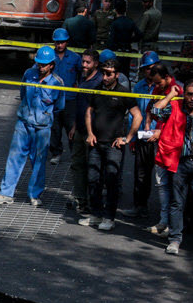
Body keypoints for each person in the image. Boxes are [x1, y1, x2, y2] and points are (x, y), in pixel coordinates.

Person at [0, 46, 65, 206]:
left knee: (39, 161)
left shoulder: (58, 83)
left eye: (44, 64)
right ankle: (6, 194)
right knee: (14, 158)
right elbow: (23, 94)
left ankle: (34, 195)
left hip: (42, 128)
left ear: (52, 65)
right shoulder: (28, 74)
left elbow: (59, 106)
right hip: (23, 124)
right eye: (39, 63)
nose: (41, 67)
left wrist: (44, 116)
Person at [150, 78, 193, 256]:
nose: (192, 98)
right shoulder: (174, 106)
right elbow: (155, 110)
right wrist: (172, 94)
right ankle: (174, 240)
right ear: (184, 93)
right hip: (178, 162)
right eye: (189, 94)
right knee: (176, 203)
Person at [80, 58, 140, 230]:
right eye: (103, 73)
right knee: (93, 179)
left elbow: (138, 116)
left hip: (114, 146)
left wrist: (127, 138)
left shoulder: (124, 93)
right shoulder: (97, 90)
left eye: (109, 74)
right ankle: (95, 215)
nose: (105, 77)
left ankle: (109, 218)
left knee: (111, 180)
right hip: (96, 144)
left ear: (117, 75)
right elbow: (89, 112)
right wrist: (90, 133)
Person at [119, 51, 162, 220]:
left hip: (161, 137)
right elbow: (133, 114)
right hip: (143, 136)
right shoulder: (139, 87)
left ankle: (166, 215)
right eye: (146, 69)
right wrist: (133, 137)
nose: (149, 72)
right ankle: (140, 206)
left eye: (152, 68)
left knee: (163, 177)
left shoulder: (165, 87)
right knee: (141, 173)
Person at [145, 64, 183, 235]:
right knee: (161, 184)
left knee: (175, 187)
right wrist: (149, 126)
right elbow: (153, 110)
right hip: (161, 145)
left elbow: (178, 118)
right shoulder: (158, 89)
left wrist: (161, 128)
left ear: (167, 77)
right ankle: (164, 222)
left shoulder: (180, 91)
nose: (156, 87)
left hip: (176, 147)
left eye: (159, 83)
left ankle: (173, 225)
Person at [66, 49, 103, 214]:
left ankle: (92, 202)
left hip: (92, 133)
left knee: (93, 168)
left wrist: (92, 132)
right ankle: (80, 198)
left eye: (87, 62)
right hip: (80, 129)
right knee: (77, 164)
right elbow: (80, 106)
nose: (84, 65)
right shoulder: (82, 77)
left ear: (96, 63)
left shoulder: (99, 82)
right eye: (83, 62)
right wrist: (74, 126)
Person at [48, 27, 82, 165]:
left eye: (62, 42)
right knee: (54, 128)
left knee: (71, 129)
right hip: (53, 99)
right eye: (57, 42)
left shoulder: (75, 58)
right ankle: (56, 153)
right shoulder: (49, 56)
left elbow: (82, 75)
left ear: (67, 42)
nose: (59, 45)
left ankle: (75, 154)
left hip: (70, 99)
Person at [108, 0, 141, 77]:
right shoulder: (130, 21)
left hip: (117, 51)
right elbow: (139, 34)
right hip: (127, 50)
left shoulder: (114, 23)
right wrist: (130, 40)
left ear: (115, 10)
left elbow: (111, 40)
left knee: (116, 73)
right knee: (126, 73)